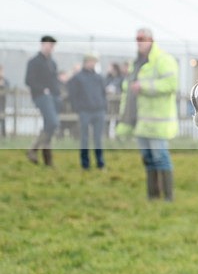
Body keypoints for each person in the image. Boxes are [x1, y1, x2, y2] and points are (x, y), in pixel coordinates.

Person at [117, 28, 179, 201]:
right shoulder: (136, 62)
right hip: (141, 120)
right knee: (148, 158)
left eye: (142, 38)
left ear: (151, 39)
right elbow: (127, 89)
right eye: (137, 39)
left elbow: (171, 84)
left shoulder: (163, 59)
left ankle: (168, 197)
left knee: (161, 158)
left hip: (158, 121)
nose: (139, 42)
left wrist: (144, 87)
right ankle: (153, 196)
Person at [67, 53, 107, 169]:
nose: (92, 64)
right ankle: (85, 164)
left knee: (98, 138)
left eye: (94, 62)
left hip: (98, 110)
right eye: (91, 61)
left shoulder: (99, 77)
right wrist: (77, 108)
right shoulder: (78, 78)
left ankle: (100, 163)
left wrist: (104, 106)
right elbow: (72, 94)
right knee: (84, 138)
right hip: (85, 111)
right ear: (85, 62)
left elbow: (103, 93)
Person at [25, 35, 60, 165]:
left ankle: (47, 159)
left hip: (52, 97)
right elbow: (29, 80)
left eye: (52, 46)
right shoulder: (34, 62)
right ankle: (33, 149)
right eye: (49, 45)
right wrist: (42, 89)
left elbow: (54, 81)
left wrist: (57, 93)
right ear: (43, 44)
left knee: (49, 125)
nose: (51, 48)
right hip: (41, 96)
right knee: (52, 123)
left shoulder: (52, 63)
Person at [0, 64, 8, 138]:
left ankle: (3, 134)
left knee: (3, 117)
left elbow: (8, 87)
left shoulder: (5, 81)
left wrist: (2, 85)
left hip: (2, 102)